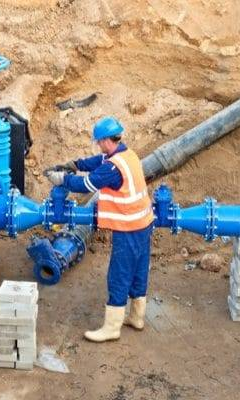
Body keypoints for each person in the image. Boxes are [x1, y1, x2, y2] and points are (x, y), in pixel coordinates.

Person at [45, 116, 154, 343]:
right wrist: (76, 165)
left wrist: (62, 179)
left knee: (119, 274)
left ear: (105, 140)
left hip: (129, 227)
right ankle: (137, 317)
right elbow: (98, 161)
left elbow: (85, 185)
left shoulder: (113, 169)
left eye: (98, 141)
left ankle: (112, 328)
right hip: (143, 223)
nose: (98, 145)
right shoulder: (127, 155)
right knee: (138, 270)